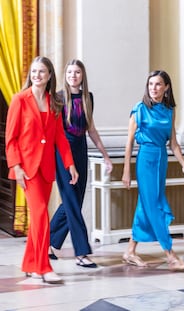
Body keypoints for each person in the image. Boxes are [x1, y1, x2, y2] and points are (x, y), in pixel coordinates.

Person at [5, 56, 79, 284]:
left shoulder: (54, 103)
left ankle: (30, 264)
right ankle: (44, 267)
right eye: (34, 71)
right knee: (40, 217)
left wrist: (70, 164)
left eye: (42, 72)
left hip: (46, 168)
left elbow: (59, 138)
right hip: (27, 168)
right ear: (31, 75)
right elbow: (11, 138)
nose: (37, 75)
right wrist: (15, 167)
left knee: (39, 218)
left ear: (49, 76)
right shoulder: (19, 100)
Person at [122, 70, 184, 271]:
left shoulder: (170, 110)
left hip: (162, 161)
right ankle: (170, 254)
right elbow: (129, 143)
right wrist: (126, 170)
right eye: (151, 84)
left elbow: (174, 144)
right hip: (145, 160)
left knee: (146, 205)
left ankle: (130, 251)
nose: (154, 88)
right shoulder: (140, 109)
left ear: (166, 87)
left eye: (158, 84)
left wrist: (183, 164)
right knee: (154, 206)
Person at [49, 59, 113, 268]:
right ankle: (81, 252)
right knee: (72, 202)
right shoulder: (57, 98)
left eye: (77, 72)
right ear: (65, 75)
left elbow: (91, 129)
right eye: (70, 72)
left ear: (82, 75)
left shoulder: (88, 98)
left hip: (81, 151)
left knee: (72, 201)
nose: (73, 76)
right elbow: (54, 132)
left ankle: (47, 242)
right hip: (63, 153)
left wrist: (105, 155)